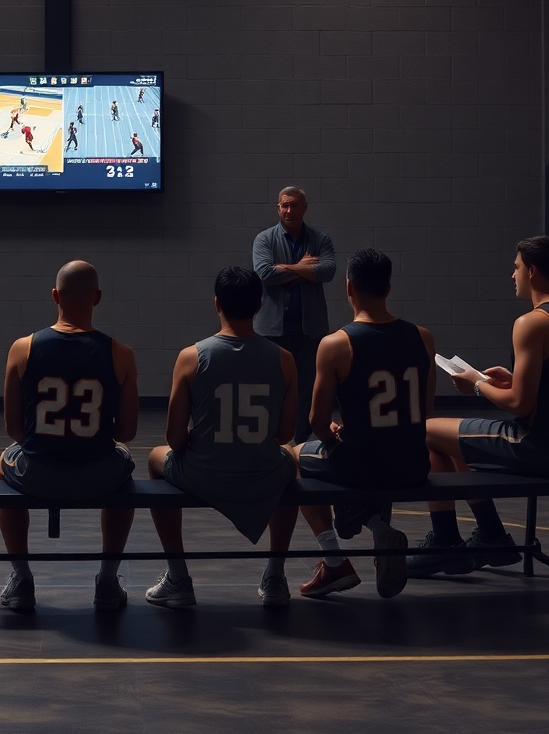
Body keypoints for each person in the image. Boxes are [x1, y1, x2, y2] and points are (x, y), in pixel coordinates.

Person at [407, 236, 549, 577]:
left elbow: (519, 405)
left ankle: (446, 543)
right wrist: (514, 378)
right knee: (454, 437)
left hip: (543, 447)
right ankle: (491, 536)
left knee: (427, 431)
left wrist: (477, 384)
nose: (512, 276)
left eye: (515, 268)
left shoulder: (533, 322)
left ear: (532, 271)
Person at [145, 267, 299, 609]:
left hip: (204, 474)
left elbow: (173, 438)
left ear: (217, 303)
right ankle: (275, 575)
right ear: (259, 306)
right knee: (294, 459)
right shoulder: (284, 360)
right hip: (262, 474)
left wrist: (201, 436)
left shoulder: (191, 356)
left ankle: (178, 576)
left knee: (155, 458)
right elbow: (285, 434)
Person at [0, 260, 138, 613]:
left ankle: (21, 577)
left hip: (37, 475)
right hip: (98, 476)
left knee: (2, 462)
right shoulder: (121, 353)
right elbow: (127, 432)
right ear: (98, 298)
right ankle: (107, 579)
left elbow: (14, 429)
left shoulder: (22, 347)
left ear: (55, 295)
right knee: (126, 469)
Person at [292, 248, 435, 599]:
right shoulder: (422, 336)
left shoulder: (336, 344)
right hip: (414, 464)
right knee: (364, 450)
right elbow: (424, 408)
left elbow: (318, 422)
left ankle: (335, 561)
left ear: (348, 288)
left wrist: (334, 433)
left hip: (364, 464)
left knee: (294, 457)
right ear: (388, 287)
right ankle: (377, 525)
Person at [252, 186, 336, 442]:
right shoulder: (264, 239)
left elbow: (327, 272)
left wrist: (285, 269)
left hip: (310, 330)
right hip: (272, 330)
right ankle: (271, 441)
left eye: (294, 205)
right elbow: (265, 274)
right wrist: (302, 268)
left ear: (304, 207)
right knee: (272, 388)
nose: (289, 210)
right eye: (285, 205)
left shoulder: (320, 239)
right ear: (278, 208)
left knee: (306, 390)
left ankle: (301, 443)